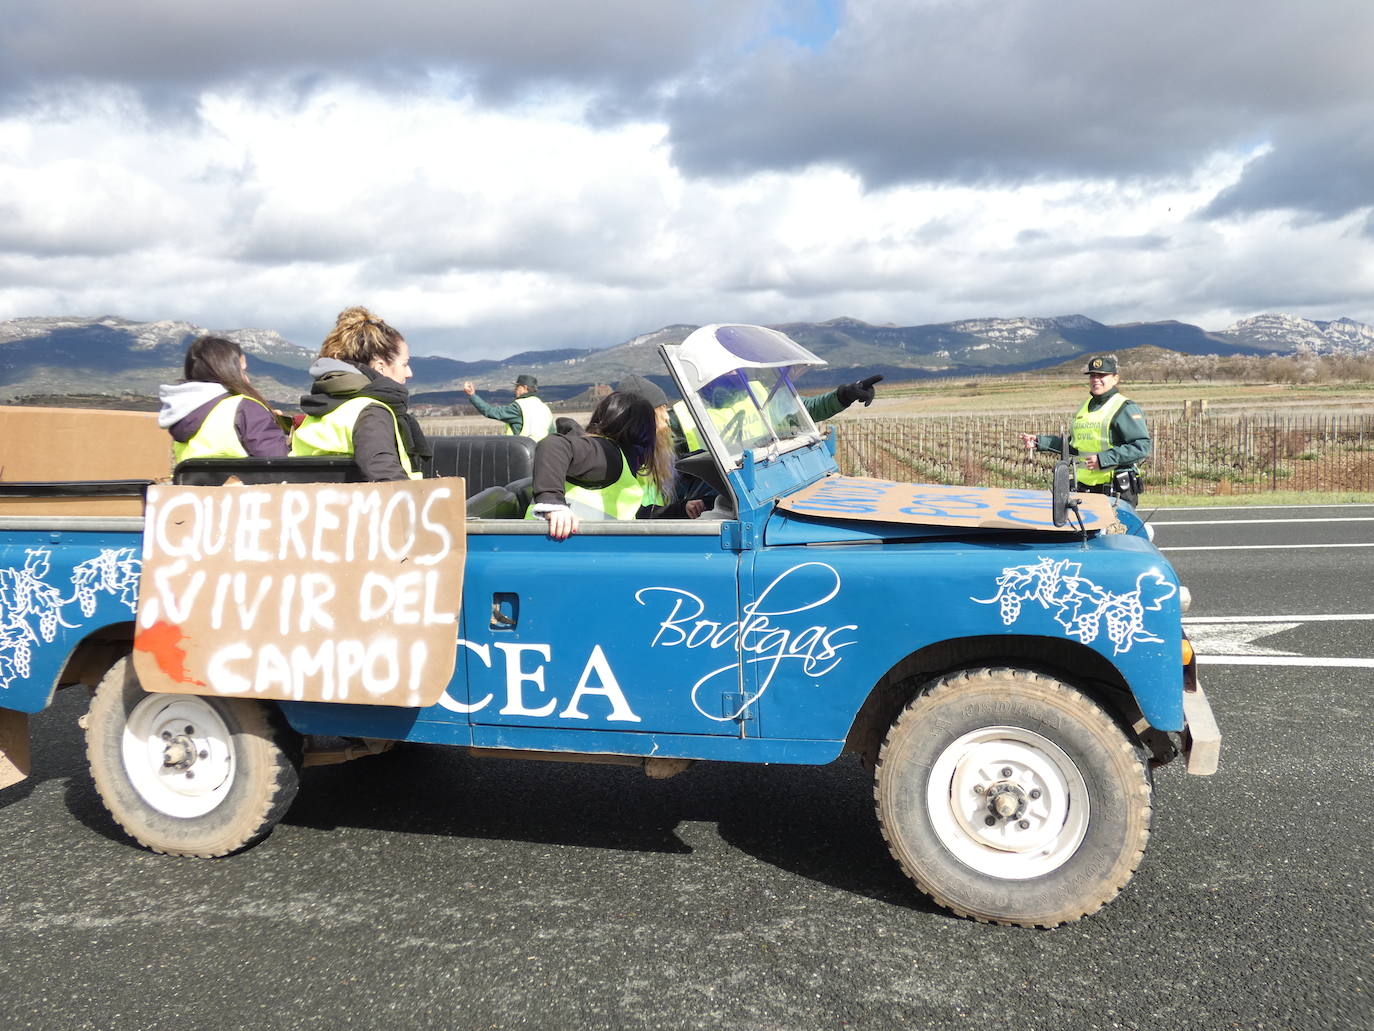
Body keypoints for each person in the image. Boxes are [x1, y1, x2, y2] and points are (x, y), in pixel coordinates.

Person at [292, 306, 431, 481]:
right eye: (404, 364)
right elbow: (385, 476)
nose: (409, 372)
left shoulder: (322, 410)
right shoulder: (371, 413)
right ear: (380, 367)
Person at [527, 391, 674, 539]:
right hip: (548, 546)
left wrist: (681, 510)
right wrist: (553, 505)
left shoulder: (621, 459)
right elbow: (554, 445)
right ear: (644, 430)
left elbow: (628, 516)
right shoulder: (607, 454)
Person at [1019, 354, 1151, 505]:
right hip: (1084, 488)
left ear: (1115, 379)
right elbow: (1076, 446)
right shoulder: (1084, 407)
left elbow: (1142, 447)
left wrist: (1103, 460)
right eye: (1092, 375)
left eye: (1102, 375)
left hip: (1115, 491)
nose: (1096, 379)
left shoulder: (1124, 407)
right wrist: (1039, 441)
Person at [158, 335, 290, 462]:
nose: (247, 379)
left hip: (189, 484)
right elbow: (277, 465)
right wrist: (263, 421)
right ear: (228, 371)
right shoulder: (246, 408)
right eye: (242, 371)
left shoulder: (182, 414)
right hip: (238, 484)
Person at [463, 374, 555, 440]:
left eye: (517, 387)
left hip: (522, 454)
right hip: (543, 455)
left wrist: (472, 395)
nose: (515, 390)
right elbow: (552, 433)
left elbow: (490, 411)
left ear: (525, 388)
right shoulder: (545, 408)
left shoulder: (519, 406)